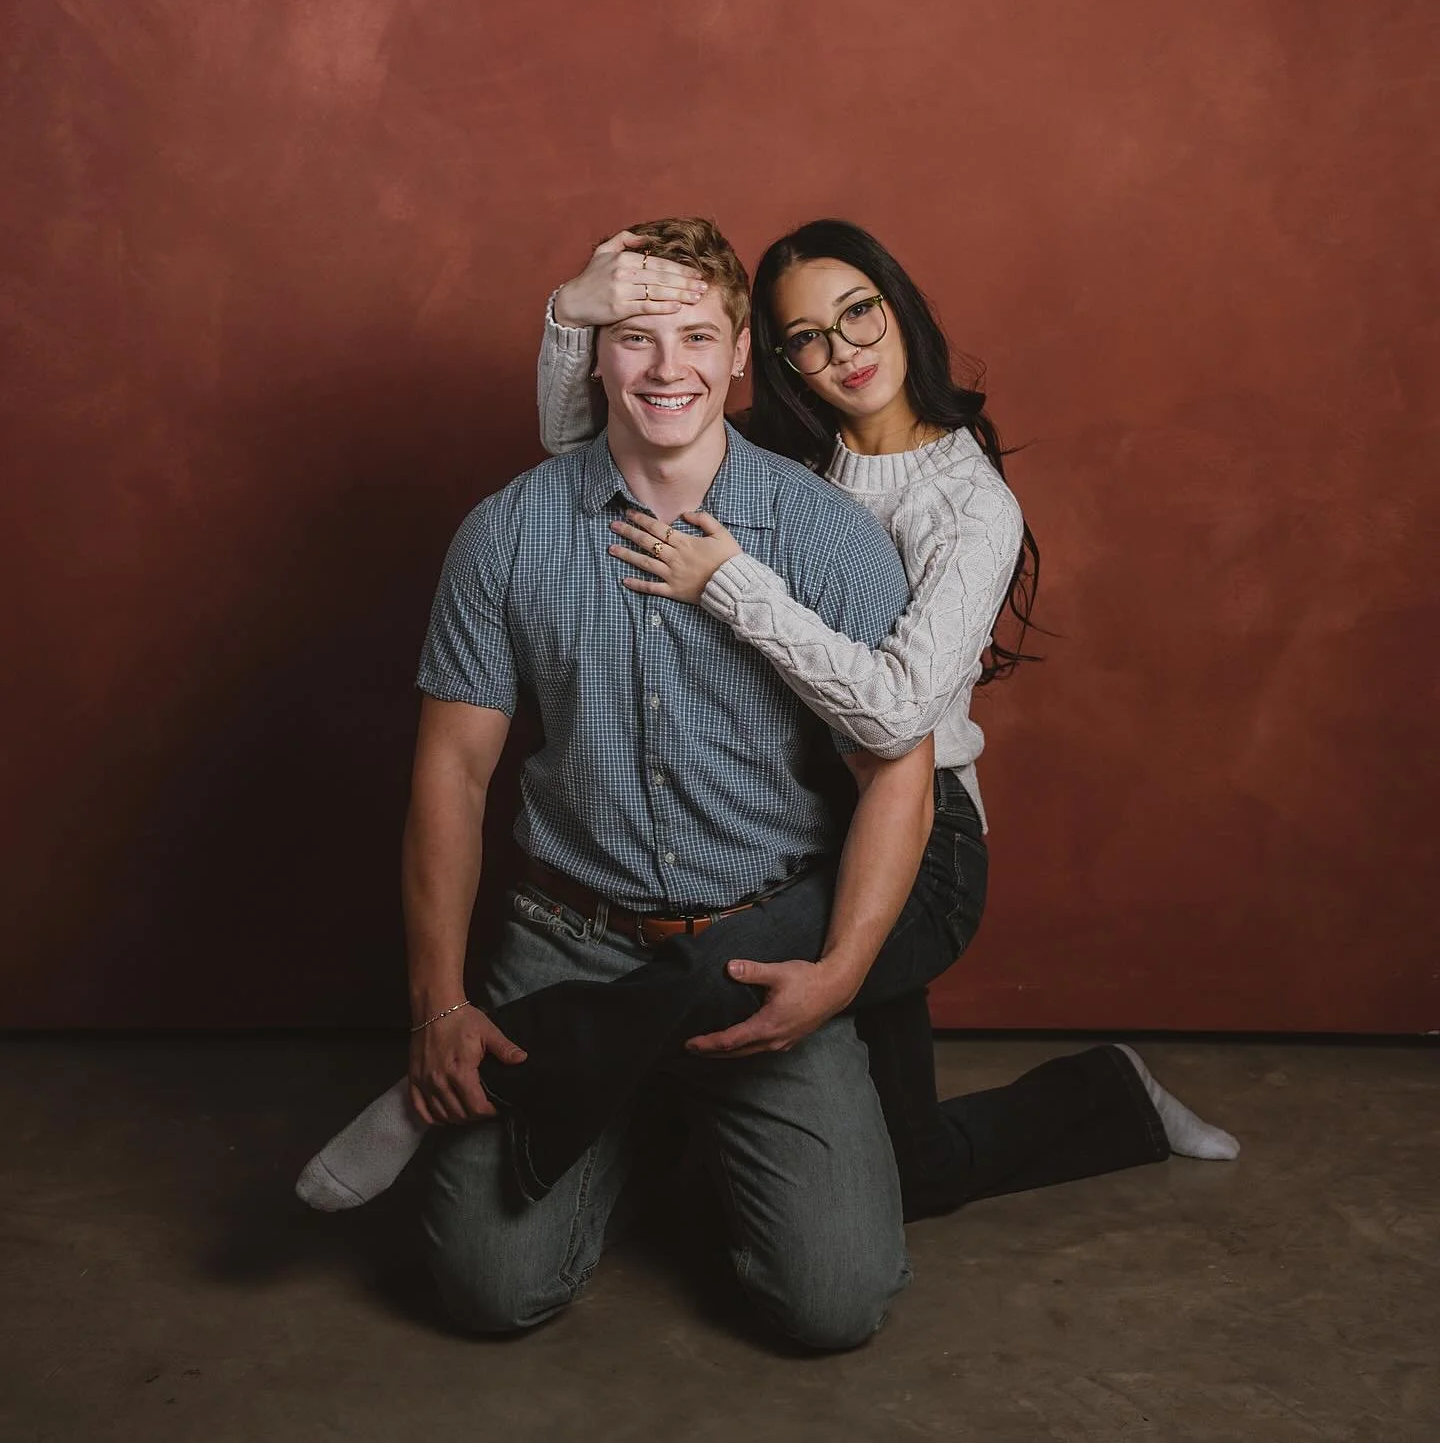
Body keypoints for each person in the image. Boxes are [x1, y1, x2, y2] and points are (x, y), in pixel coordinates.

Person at [299, 220, 1236, 1238]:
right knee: (912, 1162)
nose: (843, 352)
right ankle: (1115, 1097)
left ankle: (449, 1087)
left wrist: (731, 582)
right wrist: (573, 313)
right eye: (807, 337)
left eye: (858, 315)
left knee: (706, 967)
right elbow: (598, 440)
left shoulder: (966, 506)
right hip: (824, 814)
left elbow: (894, 715)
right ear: (772, 355)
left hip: (925, 831)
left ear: (899, 306)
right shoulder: (807, 448)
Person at [360, 217, 936, 1348]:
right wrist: (438, 999)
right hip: (568, 939)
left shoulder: (828, 539)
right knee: (487, 1290)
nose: (666, 368)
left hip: (755, 944)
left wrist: (839, 974)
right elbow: (453, 773)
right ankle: (633, 1103)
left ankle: (674, 1104)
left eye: (695, 335)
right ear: (596, 356)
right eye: (635, 335)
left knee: (835, 1304)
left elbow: (896, 773)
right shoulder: (507, 534)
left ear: (736, 358)